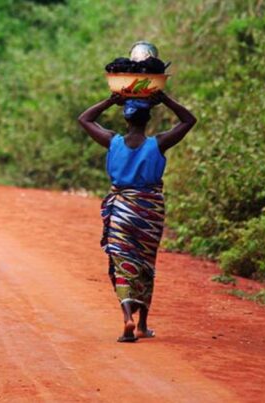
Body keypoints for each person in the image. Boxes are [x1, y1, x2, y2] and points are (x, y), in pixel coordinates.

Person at [77, 92, 196, 342]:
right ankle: (143, 324)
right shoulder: (159, 143)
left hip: (121, 208)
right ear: (148, 119)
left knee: (122, 263)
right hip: (149, 212)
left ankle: (127, 319)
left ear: (125, 117)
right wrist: (165, 98)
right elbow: (188, 120)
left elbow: (85, 119)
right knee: (146, 263)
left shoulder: (113, 141)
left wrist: (111, 100)